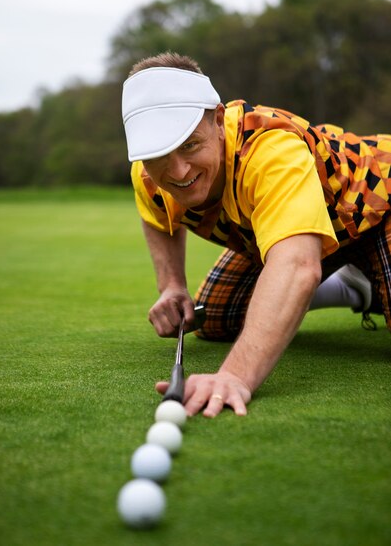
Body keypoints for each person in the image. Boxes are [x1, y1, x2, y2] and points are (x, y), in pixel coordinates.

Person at [121, 52, 388, 419]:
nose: (178, 170)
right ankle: (357, 286)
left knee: (294, 270)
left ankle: (369, 268)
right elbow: (156, 215)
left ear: (217, 119)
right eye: (160, 155)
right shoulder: (150, 170)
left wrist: (234, 376)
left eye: (190, 145)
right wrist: (171, 285)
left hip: (379, 208)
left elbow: (297, 265)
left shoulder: (270, 149)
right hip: (300, 237)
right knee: (214, 316)